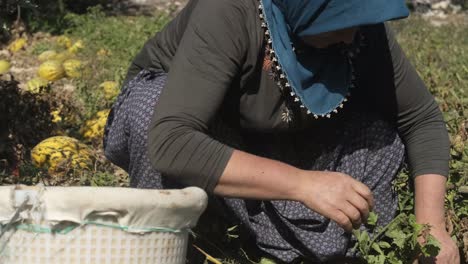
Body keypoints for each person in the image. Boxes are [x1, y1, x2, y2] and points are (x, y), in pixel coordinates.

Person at [103, 0, 460, 262]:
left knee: (379, 137)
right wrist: (302, 185)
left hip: (278, 140)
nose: (353, 35)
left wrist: (431, 230)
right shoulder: (229, 11)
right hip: (206, 140)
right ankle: (189, 235)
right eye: (342, 21)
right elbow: (172, 142)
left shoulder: (360, 30)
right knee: (150, 108)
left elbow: (421, 119)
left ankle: (303, 246)